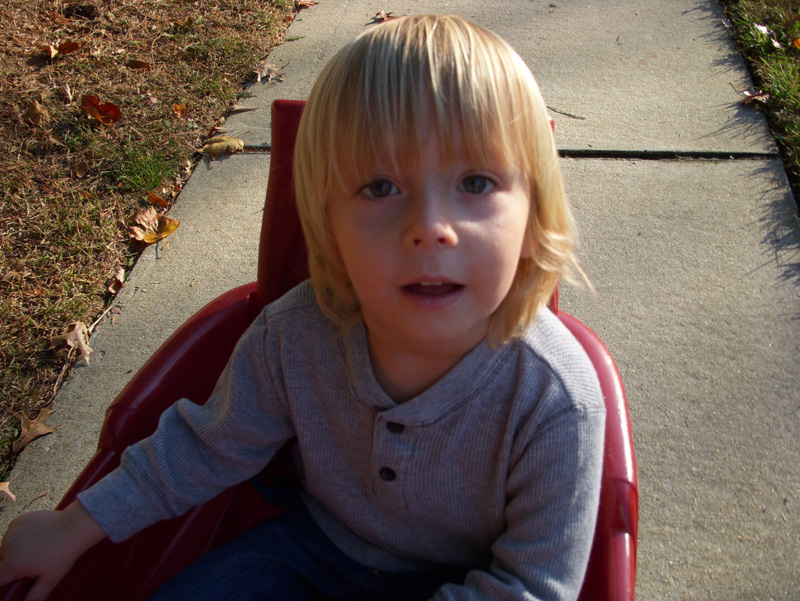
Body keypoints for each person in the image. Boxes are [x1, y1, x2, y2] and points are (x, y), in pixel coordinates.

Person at [0, 14, 605, 601]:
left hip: (466, 576)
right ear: (328, 225)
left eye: (475, 183)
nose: (429, 228)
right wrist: (77, 525)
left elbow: (529, 585)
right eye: (381, 187)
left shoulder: (554, 397)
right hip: (311, 549)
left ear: (533, 216)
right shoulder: (297, 335)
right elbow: (207, 446)